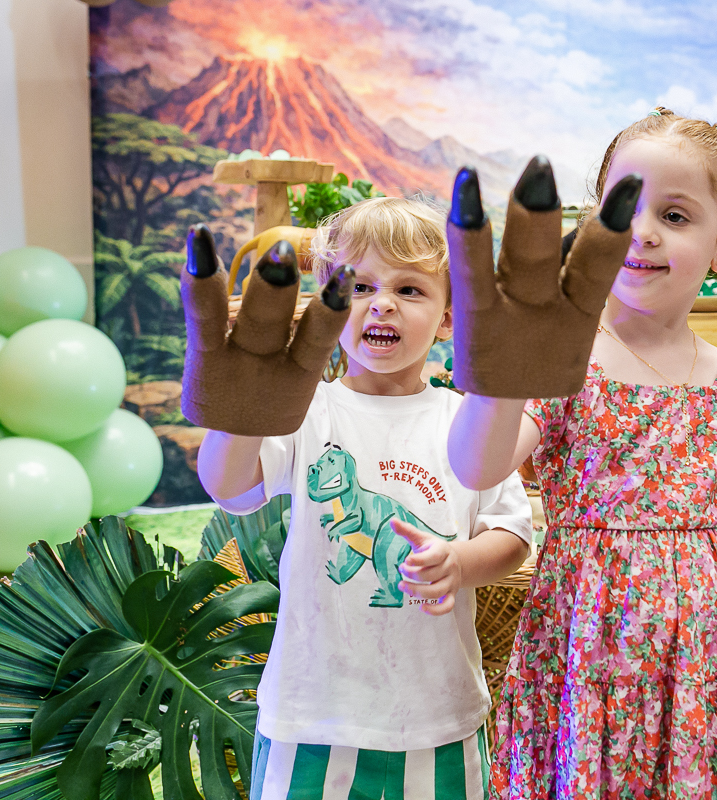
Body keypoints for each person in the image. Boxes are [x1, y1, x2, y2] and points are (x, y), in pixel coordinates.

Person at [445, 110, 717, 798]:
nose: (644, 233)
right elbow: (477, 469)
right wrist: (504, 375)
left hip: (712, 659)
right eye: (623, 208)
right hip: (590, 649)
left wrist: (673, 585)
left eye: (676, 215)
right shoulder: (561, 365)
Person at [186, 197, 533, 799]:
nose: (383, 303)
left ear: (450, 317)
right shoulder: (305, 411)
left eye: (410, 289)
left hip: (437, 712)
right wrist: (238, 413)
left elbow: (512, 534)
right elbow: (228, 484)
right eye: (360, 285)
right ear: (327, 305)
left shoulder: (470, 421)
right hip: (312, 709)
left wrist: (459, 563)